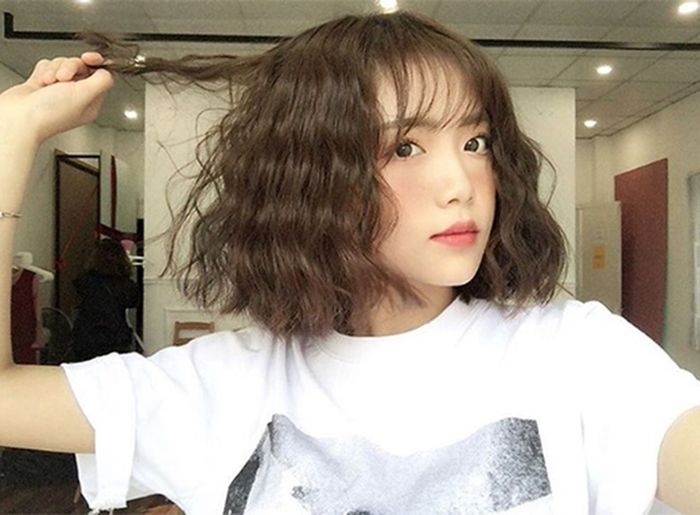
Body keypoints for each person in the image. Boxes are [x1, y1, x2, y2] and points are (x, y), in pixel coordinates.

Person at [0, 10, 698, 515]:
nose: (461, 183)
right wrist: (12, 133)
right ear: (312, 180)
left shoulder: (580, 354)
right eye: (404, 147)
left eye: (476, 141)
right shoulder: (220, 384)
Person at [71, 238, 139, 362]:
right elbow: (133, 302)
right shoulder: (126, 285)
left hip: (86, 335)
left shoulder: (84, 281)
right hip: (115, 336)